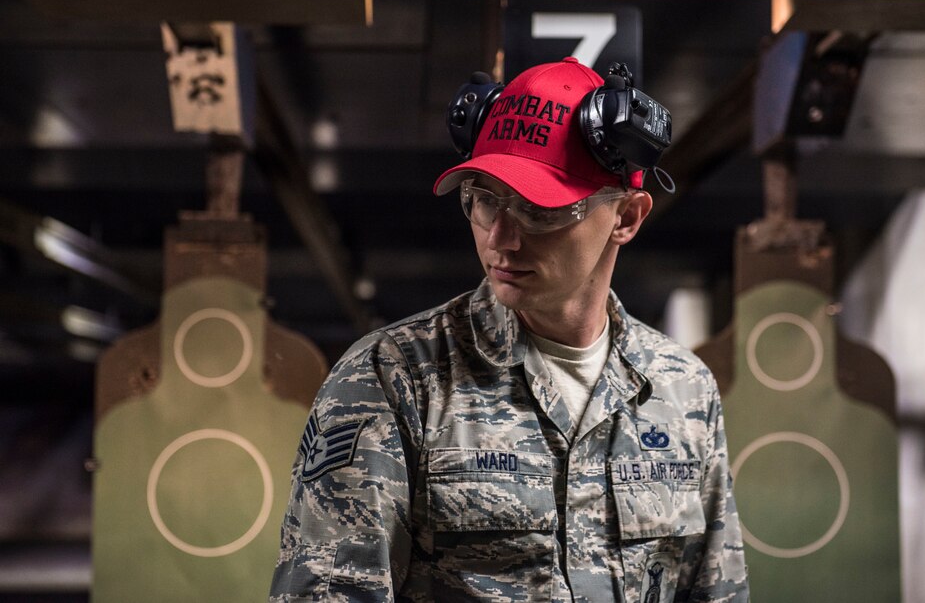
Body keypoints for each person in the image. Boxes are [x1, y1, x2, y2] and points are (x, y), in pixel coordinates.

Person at [269, 57, 749, 602]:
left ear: (627, 217)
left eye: (539, 211)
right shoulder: (393, 379)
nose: (501, 238)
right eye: (485, 200)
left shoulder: (683, 389)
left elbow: (716, 590)